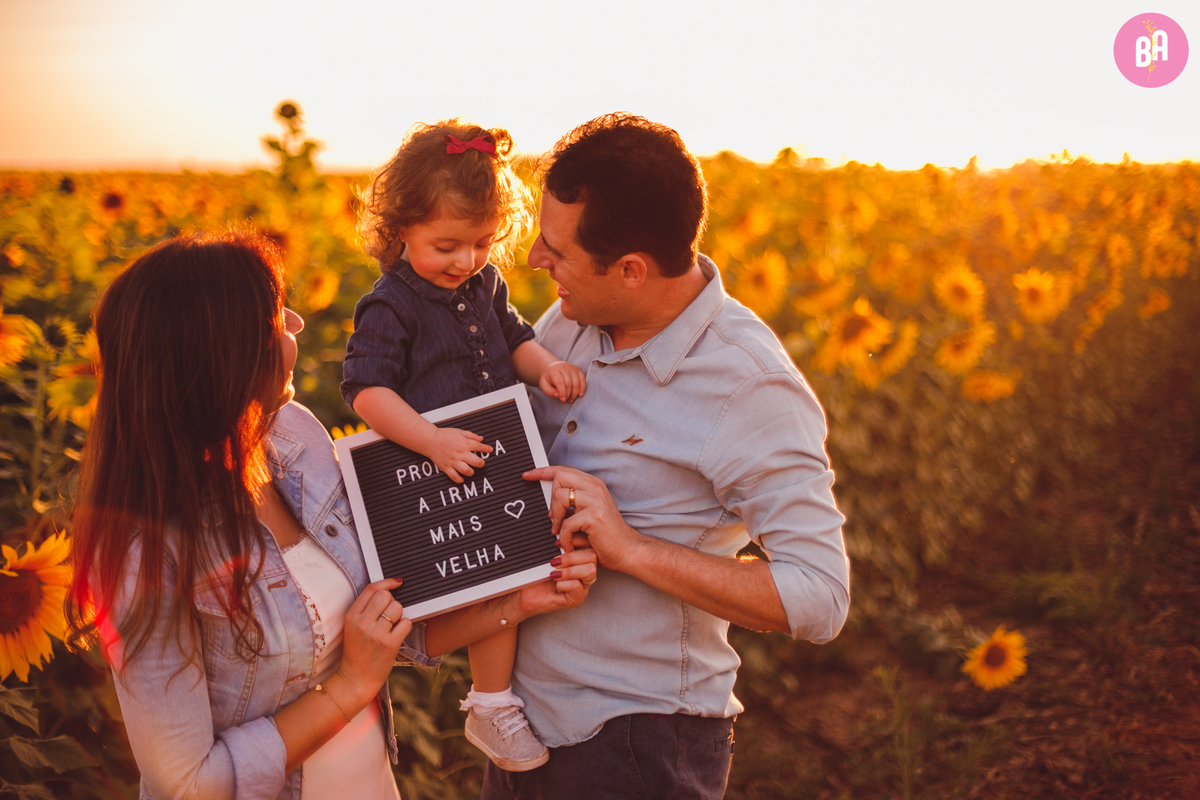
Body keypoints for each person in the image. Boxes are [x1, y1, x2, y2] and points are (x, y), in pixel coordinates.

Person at [64, 231, 596, 800]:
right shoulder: (147, 553)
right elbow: (189, 782)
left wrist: (522, 599)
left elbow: (392, 621)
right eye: (273, 313)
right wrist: (351, 686)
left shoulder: (293, 439)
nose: (294, 322)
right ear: (223, 350)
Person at [481, 114, 852, 799]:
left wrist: (631, 548)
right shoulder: (567, 325)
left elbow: (820, 597)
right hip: (519, 725)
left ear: (630, 271)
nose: (535, 260)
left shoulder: (747, 385)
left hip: (637, 745)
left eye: (556, 250)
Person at [341, 120, 587, 772]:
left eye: (482, 244)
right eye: (446, 244)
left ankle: (503, 695)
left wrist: (544, 368)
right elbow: (366, 392)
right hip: (433, 471)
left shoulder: (485, 284)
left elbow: (514, 339)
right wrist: (431, 442)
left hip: (497, 451)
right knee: (478, 582)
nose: (465, 261)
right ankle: (491, 701)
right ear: (401, 230)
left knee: (515, 562)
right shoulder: (388, 304)